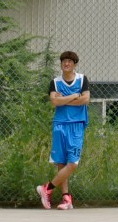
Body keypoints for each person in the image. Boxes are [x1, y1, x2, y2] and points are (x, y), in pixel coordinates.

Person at [39, 50, 91, 209]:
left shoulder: (82, 79)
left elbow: (85, 99)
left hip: (76, 124)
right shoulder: (55, 82)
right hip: (60, 124)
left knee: (72, 163)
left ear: (75, 64)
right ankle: (66, 198)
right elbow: (54, 102)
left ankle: (47, 188)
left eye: (69, 61)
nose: (66, 63)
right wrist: (74, 96)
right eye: (64, 61)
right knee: (61, 163)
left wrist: (63, 99)